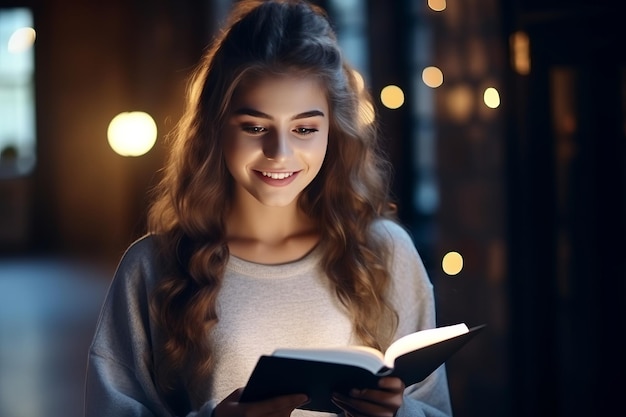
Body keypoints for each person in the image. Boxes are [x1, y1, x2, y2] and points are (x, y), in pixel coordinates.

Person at [85, 0, 453, 416]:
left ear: (334, 131)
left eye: (304, 129)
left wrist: (397, 412)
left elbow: (435, 407)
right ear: (214, 125)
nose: (280, 152)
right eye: (256, 127)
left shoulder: (385, 251)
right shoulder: (153, 266)